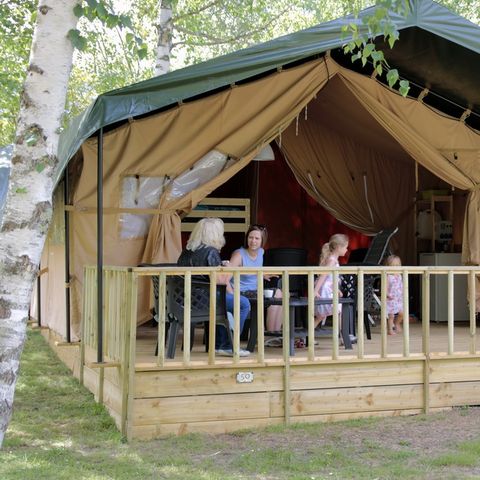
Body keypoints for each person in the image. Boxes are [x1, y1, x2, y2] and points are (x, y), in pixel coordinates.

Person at [177, 218, 251, 357]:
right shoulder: (210, 251)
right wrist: (230, 268)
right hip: (204, 300)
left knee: (226, 303)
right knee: (243, 303)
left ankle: (219, 344)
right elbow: (222, 281)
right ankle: (228, 345)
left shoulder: (186, 251)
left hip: (185, 299)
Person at [228, 224, 282, 334]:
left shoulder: (261, 252)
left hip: (254, 291)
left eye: (257, 238)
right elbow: (226, 277)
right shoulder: (239, 254)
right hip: (241, 292)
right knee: (276, 295)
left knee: (280, 294)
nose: (253, 241)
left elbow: (250, 271)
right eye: (250, 237)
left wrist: (262, 275)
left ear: (262, 241)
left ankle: (273, 331)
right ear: (246, 238)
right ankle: (269, 333)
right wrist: (232, 294)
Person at [313, 234, 349, 329]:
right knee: (338, 310)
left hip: (328, 289)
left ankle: (304, 337)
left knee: (321, 317)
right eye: (345, 247)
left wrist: (336, 290)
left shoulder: (333, 260)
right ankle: (343, 336)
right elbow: (323, 276)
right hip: (326, 291)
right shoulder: (332, 261)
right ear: (338, 247)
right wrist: (315, 291)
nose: (347, 250)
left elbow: (331, 279)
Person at [384, 254, 404, 335]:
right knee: (391, 316)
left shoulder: (400, 276)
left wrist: (403, 293)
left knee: (401, 313)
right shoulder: (388, 276)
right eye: (394, 266)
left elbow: (401, 286)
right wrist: (386, 294)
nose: (396, 267)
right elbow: (385, 287)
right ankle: (390, 329)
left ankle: (397, 323)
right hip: (390, 299)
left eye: (398, 265)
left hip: (398, 299)